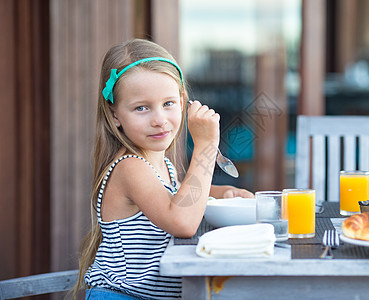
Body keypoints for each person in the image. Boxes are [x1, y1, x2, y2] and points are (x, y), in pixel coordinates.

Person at [73, 38, 253, 299]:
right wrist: (205, 146)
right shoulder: (129, 167)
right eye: (141, 108)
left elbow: (176, 195)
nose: (159, 120)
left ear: (182, 102)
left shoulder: (159, 165)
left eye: (168, 103)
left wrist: (220, 192)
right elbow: (181, 220)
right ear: (115, 116)